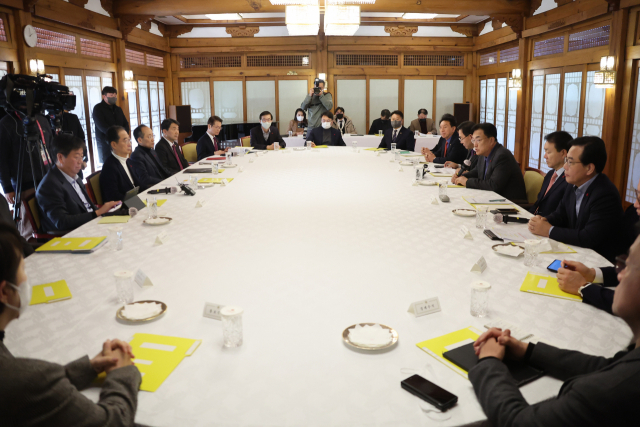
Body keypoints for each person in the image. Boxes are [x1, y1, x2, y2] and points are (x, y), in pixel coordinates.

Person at [468, 233, 640, 427]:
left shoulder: (606, 392)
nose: (619, 275)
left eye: (629, 266)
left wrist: (488, 363)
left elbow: (517, 422)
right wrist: (527, 351)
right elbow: (607, 367)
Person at [0, 223, 142, 426]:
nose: (27, 277)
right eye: (23, 268)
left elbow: (22, 391)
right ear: (4, 292)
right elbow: (113, 421)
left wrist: (85, 369)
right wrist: (123, 374)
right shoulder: (32, 377)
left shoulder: (25, 379)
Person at [528, 136, 624, 262]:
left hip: (599, 262)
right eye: (566, 160)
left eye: (570, 162)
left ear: (589, 168)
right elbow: (561, 214)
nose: (565, 166)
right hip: (578, 252)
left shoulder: (605, 194)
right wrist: (545, 220)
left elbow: (588, 237)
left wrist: (549, 230)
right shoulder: (572, 183)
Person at [556, 178, 640, 314]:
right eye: (636, 196)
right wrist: (592, 274)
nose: (635, 204)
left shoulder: (604, 193)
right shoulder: (634, 217)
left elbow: (631, 304)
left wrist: (583, 287)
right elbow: (630, 271)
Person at [36, 134, 119, 233]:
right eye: (76, 157)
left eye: (81, 157)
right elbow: (62, 222)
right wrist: (97, 213)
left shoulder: (75, 176)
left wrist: (105, 210)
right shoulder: (49, 186)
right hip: (73, 235)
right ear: (60, 158)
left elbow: (88, 207)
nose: (81, 162)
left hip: (92, 225)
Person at [453, 123, 528, 204]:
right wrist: (461, 176)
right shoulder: (483, 154)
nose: (475, 145)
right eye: (473, 140)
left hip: (509, 204)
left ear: (491, 140)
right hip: (491, 199)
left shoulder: (502, 156)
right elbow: (477, 172)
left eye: (478, 140)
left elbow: (493, 185)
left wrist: (467, 182)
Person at [0, 112, 53, 205]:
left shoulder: (43, 120)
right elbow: (2, 159)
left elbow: (52, 148)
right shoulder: (6, 123)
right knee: (29, 218)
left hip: (49, 179)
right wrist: (7, 188)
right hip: (24, 185)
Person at [529, 131, 573, 216]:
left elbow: (561, 214)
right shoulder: (550, 174)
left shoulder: (569, 180)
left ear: (563, 153)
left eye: (548, 152)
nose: (545, 156)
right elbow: (537, 204)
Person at [100, 126, 141, 202]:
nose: (129, 144)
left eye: (129, 140)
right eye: (125, 141)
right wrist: (137, 202)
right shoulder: (110, 167)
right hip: (123, 207)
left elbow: (138, 184)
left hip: (135, 201)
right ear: (114, 145)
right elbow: (113, 196)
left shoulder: (128, 161)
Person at [92, 86, 130, 164]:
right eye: (111, 96)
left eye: (115, 96)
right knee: (109, 165)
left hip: (120, 141)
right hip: (106, 143)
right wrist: (116, 135)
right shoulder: (98, 108)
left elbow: (125, 123)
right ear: (104, 96)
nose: (114, 97)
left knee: (122, 163)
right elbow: (102, 126)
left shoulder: (118, 109)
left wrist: (124, 136)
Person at [130, 125, 170, 189]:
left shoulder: (152, 151)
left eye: (153, 136)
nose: (153, 139)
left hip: (165, 184)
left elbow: (162, 169)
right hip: (155, 188)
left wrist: (173, 177)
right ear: (140, 140)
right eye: (149, 136)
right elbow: (145, 178)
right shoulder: (136, 156)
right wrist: (165, 182)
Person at [62, 111, 88, 180]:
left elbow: (81, 139)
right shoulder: (46, 119)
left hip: (76, 159)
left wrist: (83, 158)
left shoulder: (72, 117)